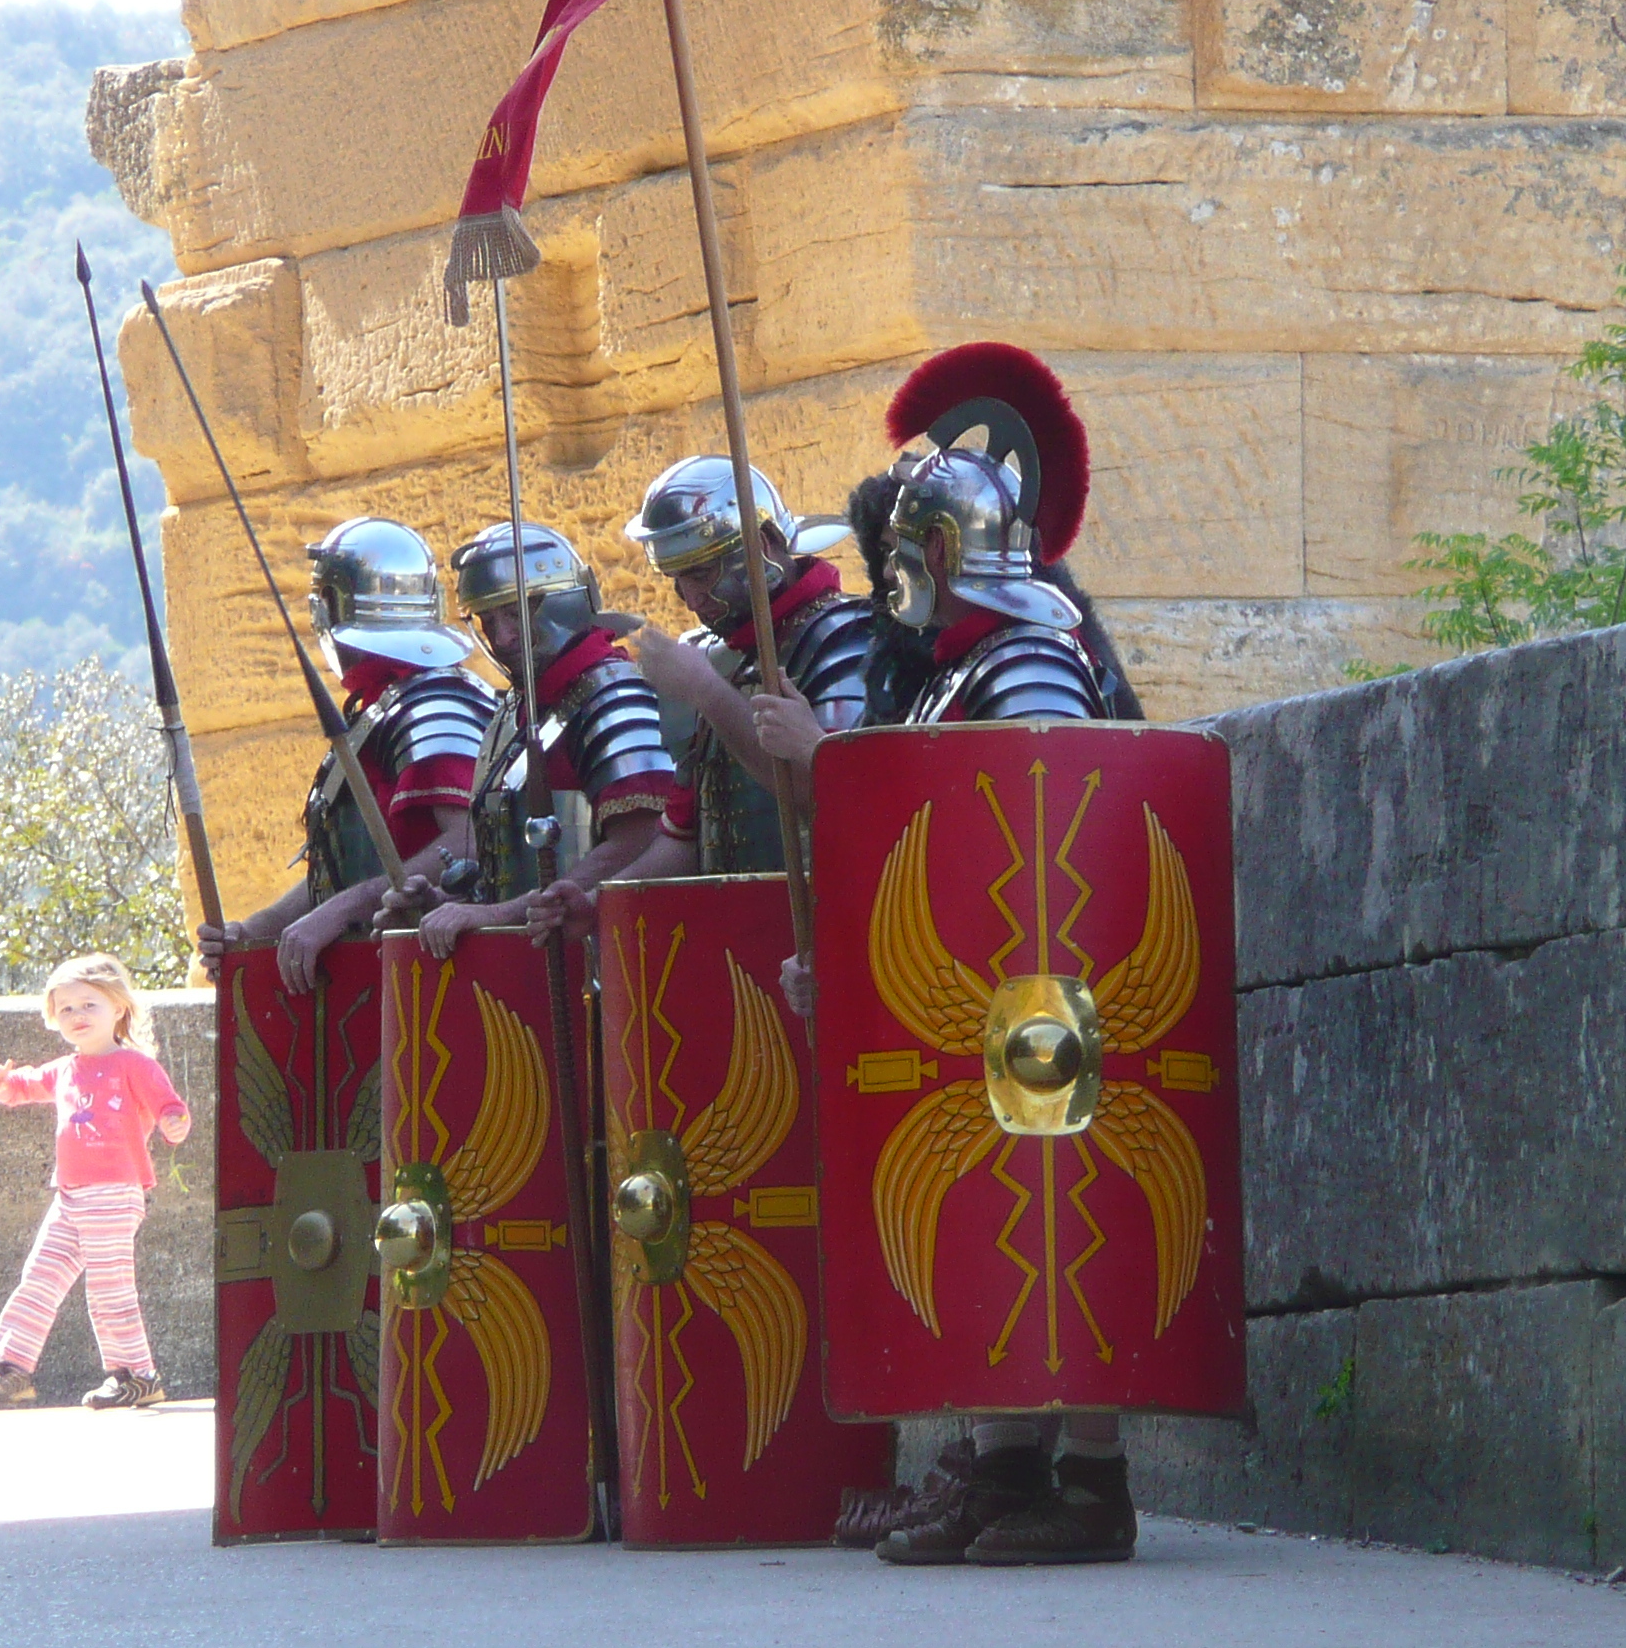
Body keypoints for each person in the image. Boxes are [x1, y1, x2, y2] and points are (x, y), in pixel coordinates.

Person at [751, 342, 1142, 1569]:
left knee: (1055, 1219)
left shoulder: (1029, 655)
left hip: (1044, 996)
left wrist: (821, 763)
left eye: (910, 556)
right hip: (981, 997)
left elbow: (1035, 840)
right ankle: (1008, 1465)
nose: (894, 580)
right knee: (988, 1218)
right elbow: (919, 856)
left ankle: (1091, 1482)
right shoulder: (958, 664)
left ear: (947, 557)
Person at [197, 518, 493, 989]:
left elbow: (472, 843)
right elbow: (337, 875)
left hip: (433, 978)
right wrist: (254, 932)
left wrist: (347, 907)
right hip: (375, 976)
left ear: (331, 609)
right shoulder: (382, 708)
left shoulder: (436, 706)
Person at [583, 457, 872, 892]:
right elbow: (685, 832)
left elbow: (832, 795)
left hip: (829, 919)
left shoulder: (842, 635)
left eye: (702, 573)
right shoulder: (715, 657)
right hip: (734, 934)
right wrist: (598, 902)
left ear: (763, 546)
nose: (692, 600)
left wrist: (705, 691)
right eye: (677, 579)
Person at [414, 521, 676, 960]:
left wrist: (500, 916)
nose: (502, 639)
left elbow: (643, 838)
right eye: (488, 619)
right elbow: (506, 861)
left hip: (607, 963)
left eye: (515, 613)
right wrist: (448, 906)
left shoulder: (613, 695)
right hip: (533, 967)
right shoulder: (515, 712)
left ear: (563, 601)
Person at [0, 954, 193, 1412]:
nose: (77, 1016)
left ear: (118, 1008)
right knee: (39, 1279)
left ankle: (135, 1375)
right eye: (66, 1008)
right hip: (69, 1197)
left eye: (89, 1004)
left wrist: (173, 1121)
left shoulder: (134, 1064)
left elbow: (168, 1104)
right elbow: (24, 1087)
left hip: (114, 1195)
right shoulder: (65, 1068)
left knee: (109, 1290)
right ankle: (11, 1369)